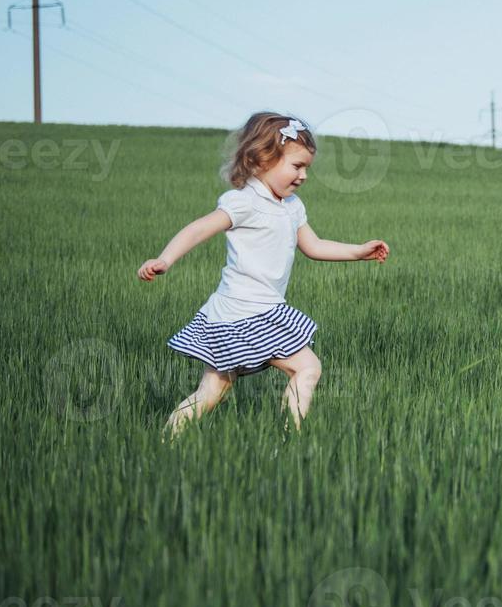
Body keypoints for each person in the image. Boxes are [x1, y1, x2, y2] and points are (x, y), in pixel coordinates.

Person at [138, 112, 390, 436]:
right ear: (260, 160)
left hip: (255, 311)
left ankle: (166, 440)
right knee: (307, 367)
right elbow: (199, 229)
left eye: (307, 168)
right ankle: (287, 442)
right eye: (296, 166)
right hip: (244, 311)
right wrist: (165, 259)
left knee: (214, 390)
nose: (303, 176)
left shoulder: (291, 206)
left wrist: (358, 251)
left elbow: (313, 245)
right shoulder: (245, 203)